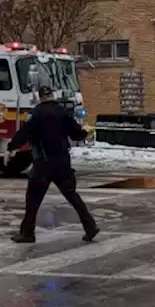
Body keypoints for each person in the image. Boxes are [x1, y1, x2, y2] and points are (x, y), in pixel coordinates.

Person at [7, 84, 98, 243]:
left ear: (40, 97)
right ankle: (90, 226)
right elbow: (76, 133)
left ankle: (27, 233)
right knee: (72, 195)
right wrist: (85, 131)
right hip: (62, 161)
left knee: (33, 199)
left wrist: (11, 148)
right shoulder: (63, 112)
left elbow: (25, 133)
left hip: (43, 163)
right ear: (52, 95)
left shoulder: (35, 114)